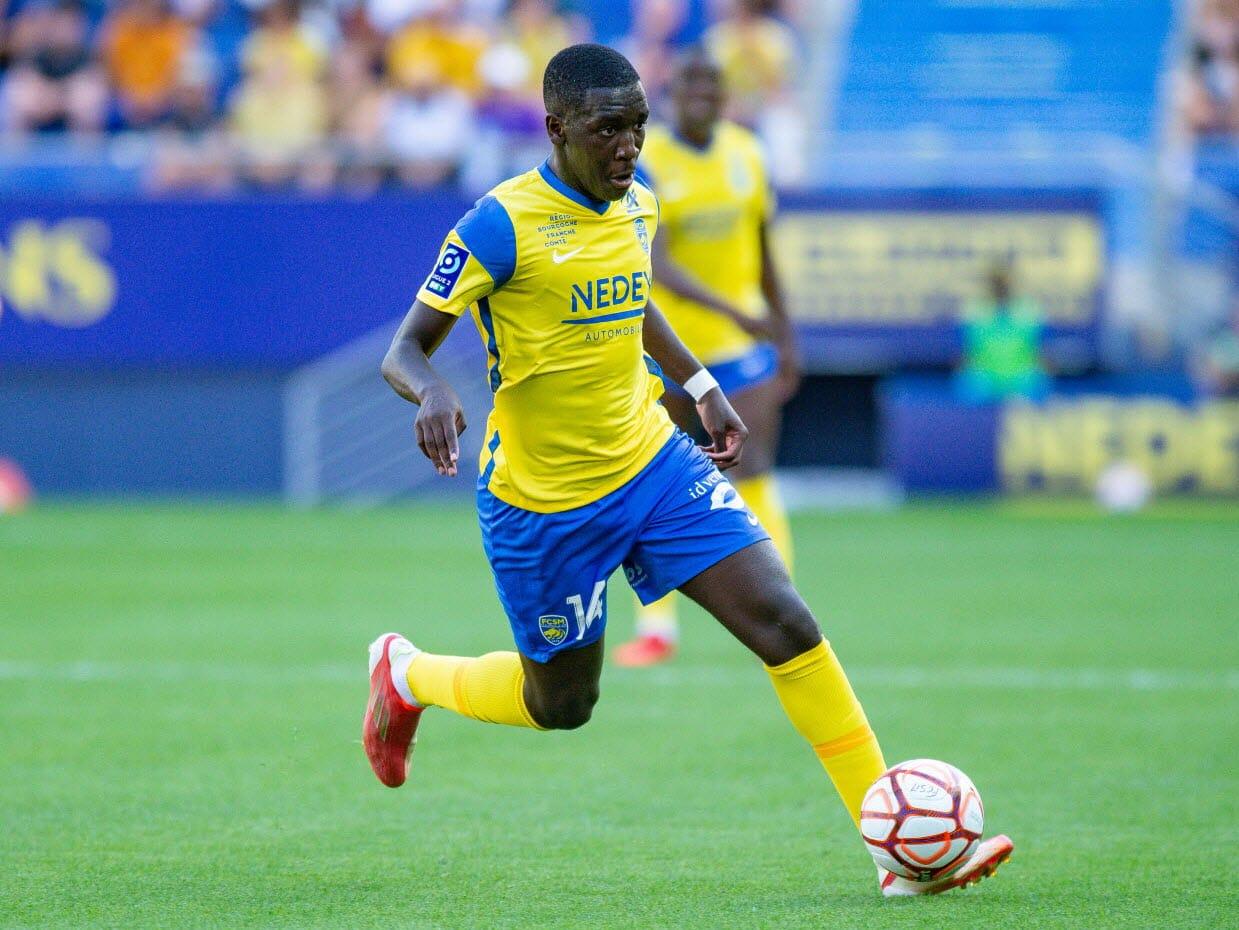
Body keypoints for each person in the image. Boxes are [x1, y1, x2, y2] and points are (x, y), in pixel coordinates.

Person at [363, 43, 1012, 897]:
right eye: (608, 129)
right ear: (557, 128)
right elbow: (404, 349)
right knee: (562, 705)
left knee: (784, 621)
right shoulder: (499, 224)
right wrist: (432, 391)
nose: (628, 145)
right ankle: (406, 674)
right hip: (544, 503)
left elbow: (632, 300)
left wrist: (701, 386)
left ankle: (891, 855)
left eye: (637, 126)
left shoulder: (637, 201)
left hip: (652, 464)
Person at [612, 47, 797, 668]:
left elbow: (764, 249)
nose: (702, 92)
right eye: (689, 81)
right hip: (666, 348)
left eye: (712, 82)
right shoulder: (648, 161)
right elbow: (657, 263)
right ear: (670, 93)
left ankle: (782, 603)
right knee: (649, 481)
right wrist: (733, 310)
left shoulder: (748, 152)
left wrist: (785, 335)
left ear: (725, 93)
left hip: (741, 350)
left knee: (755, 468)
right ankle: (656, 628)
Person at [955, 262, 1051, 404]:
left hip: (1021, 374)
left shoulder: (1028, 309)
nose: (1001, 288)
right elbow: (968, 351)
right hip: (985, 375)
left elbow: (1038, 349)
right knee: (968, 384)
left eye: (1004, 284)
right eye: (997, 283)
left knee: (1037, 382)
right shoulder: (975, 310)